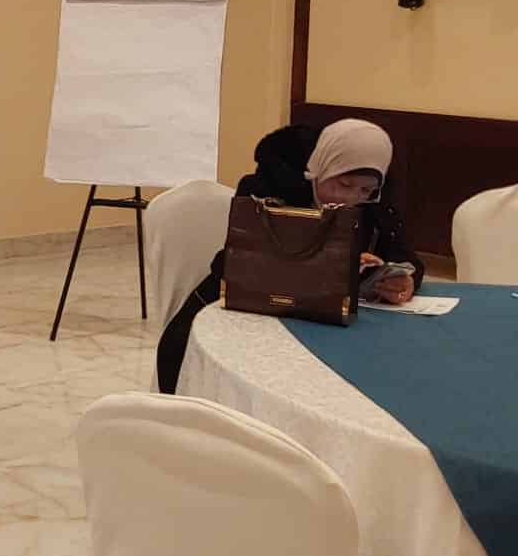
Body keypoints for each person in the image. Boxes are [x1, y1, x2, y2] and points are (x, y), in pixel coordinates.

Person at [156, 119, 424, 394]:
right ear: (319, 169)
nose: (352, 198)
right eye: (344, 184)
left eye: (366, 190)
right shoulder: (267, 188)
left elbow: (403, 254)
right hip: (249, 310)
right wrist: (332, 263)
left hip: (324, 323)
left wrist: (403, 278)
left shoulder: (373, 203)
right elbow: (243, 263)